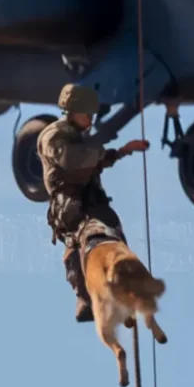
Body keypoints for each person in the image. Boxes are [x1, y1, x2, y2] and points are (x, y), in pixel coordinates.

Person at [37, 83, 149, 323]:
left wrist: (122, 151)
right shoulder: (53, 135)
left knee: (113, 230)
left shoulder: (81, 137)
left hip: (90, 196)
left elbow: (95, 159)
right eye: (88, 114)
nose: (91, 118)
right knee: (83, 237)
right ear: (74, 112)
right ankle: (85, 297)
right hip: (68, 203)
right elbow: (72, 159)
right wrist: (100, 147)